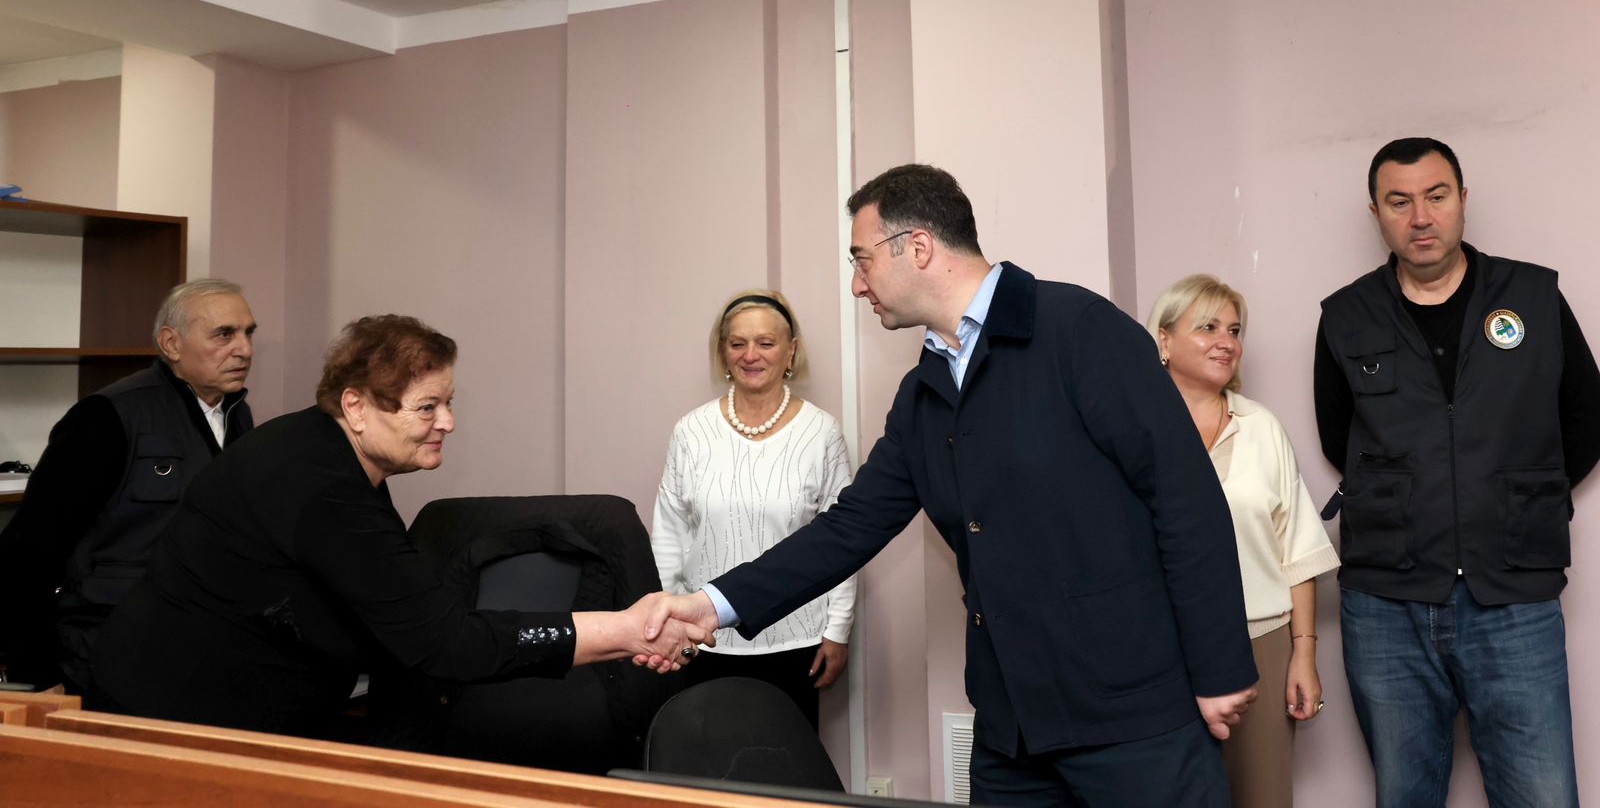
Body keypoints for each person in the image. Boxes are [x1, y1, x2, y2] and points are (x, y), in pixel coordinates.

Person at [641, 164, 1259, 807]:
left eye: (861, 260)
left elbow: (1186, 499)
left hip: (1132, 717)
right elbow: (848, 527)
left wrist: (1220, 667)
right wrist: (711, 606)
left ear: (917, 247)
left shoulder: (1077, 329)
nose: (857, 285)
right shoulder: (922, 394)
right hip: (1011, 731)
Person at [90, 315, 707, 737]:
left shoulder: (326, 451)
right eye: (427, 407)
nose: (449, 423)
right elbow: (445, 641)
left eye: (449, 402)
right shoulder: (321, 487)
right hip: (177, 721)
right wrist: (625, 630)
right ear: (356, 406)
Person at [1315, 137, 1600, 808]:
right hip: (1386, 604)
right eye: (1399, 202)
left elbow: (1586, 419)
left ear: (1463, 200)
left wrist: (1518, 496)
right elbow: (1340, 437)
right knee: (1404, 795)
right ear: (1376, 214)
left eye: (1436, 196)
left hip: (1514, 596)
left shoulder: (1533, 296)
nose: (1421, 217)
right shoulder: (1346, 315)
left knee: (1542, 795)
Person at [0, 278, 257, 693]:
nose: (244, 349)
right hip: (101, 654)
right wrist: (37, 673)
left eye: (248, 333)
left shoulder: (237, 416)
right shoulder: (106, 417)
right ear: (171, 344)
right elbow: (30, 551)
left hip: (191, 652)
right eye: (224, 334)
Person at [1148, 274, 1340, 808]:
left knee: (1261, 797)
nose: (1226, 342)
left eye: (1234, 330)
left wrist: (1303, 655)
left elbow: (1296, 551)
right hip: (1158, 650)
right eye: (1208, 327)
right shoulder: (1133, 428)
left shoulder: (1262, 427)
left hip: (1261, 645)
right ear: (1164, 340)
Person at [651, 289, 854, 730]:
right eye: (737, 343)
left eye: (766, 342)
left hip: (796, 642)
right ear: (723, 353)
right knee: (708, 763)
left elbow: (843, 539)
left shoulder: (821, 433)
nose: (750, 355)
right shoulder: (691, 431)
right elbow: (669, 533)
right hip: (703, 640)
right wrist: (669, 619)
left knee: (785, 763)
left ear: (790, 351)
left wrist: (837, 630)